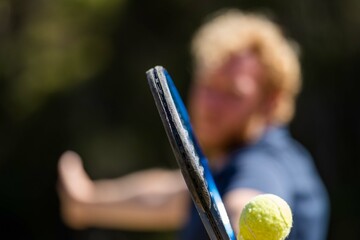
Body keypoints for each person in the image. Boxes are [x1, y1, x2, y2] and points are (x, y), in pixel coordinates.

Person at [58, 9, 330, 240]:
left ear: (270, 103)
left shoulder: (267, 162)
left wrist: (240, 223)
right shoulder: (226, 167)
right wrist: (87, 200)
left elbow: (246, 199)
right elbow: (172, 194)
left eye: (232, 93)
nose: (210, 105)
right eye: (207, 85)